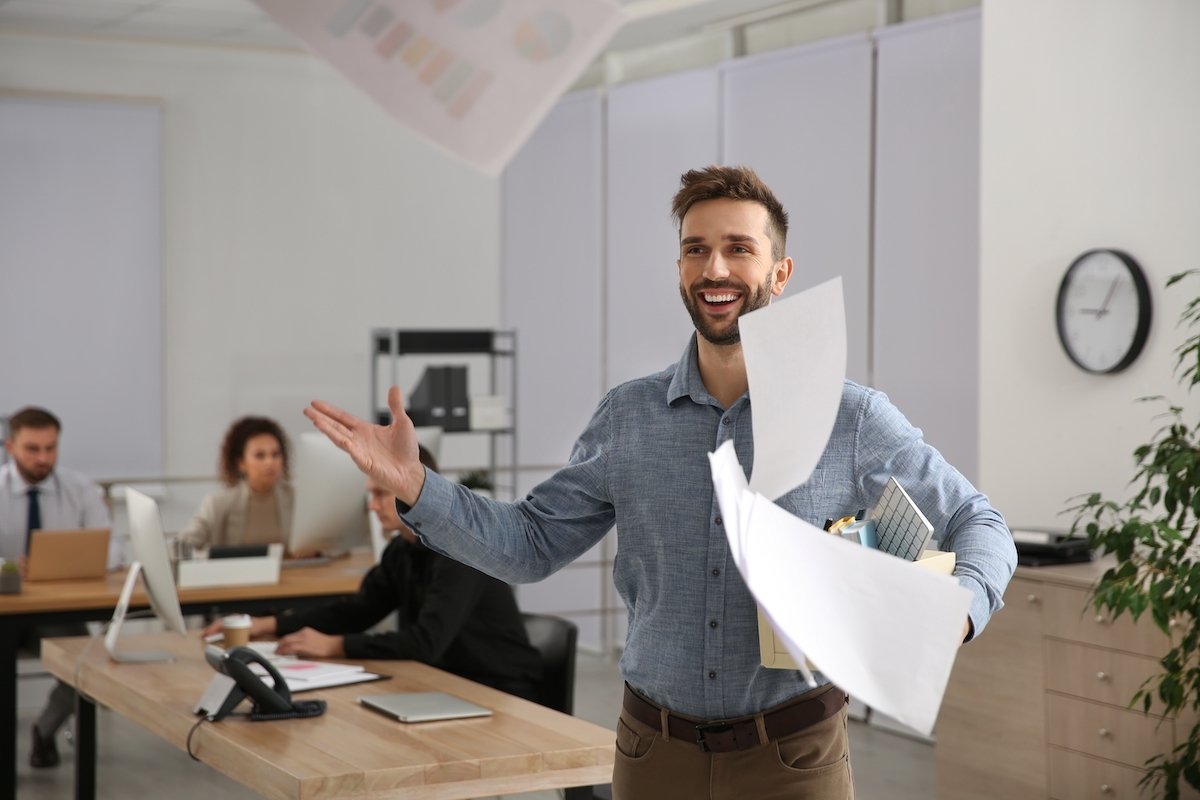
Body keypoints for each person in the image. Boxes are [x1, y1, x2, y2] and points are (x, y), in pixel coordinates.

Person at [304, 165, 1016, 800]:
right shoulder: (629, 416)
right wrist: (416, 484)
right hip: (652, 755)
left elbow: (979, 524)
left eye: (740, 248)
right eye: (696, 248)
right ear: (679, 267)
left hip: (794, 760)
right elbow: (527, 545)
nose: (716, 268)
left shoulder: (851, 415)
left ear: (780, 271)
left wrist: (954, 613)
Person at [201, 445, 542, 700]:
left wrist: (336, 646)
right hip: (449, 678)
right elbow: (357, 610)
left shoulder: (460, 551)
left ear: (412, 489)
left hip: (501, 690)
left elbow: (426, 642)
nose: (371, 505)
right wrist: (269, 624)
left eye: (380, 494)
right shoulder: (403, 549)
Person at [0, 407, 111, 768]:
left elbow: (115, 550)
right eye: (32, 448)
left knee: (88, 667)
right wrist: (11, 567)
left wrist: (61, 567)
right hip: (5, 610)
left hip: (52, 612)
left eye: (51, 448)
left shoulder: (80, 489)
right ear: (10, 446)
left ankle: (44, 732)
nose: (43, 458)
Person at [179, 416, 294, 549]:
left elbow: (318, 545)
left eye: (275, 454)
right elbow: (182, 546)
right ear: (241, 463)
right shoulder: (218, 504)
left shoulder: (297, 500)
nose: (270, 462)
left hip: (288, 570)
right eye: (260, 455)